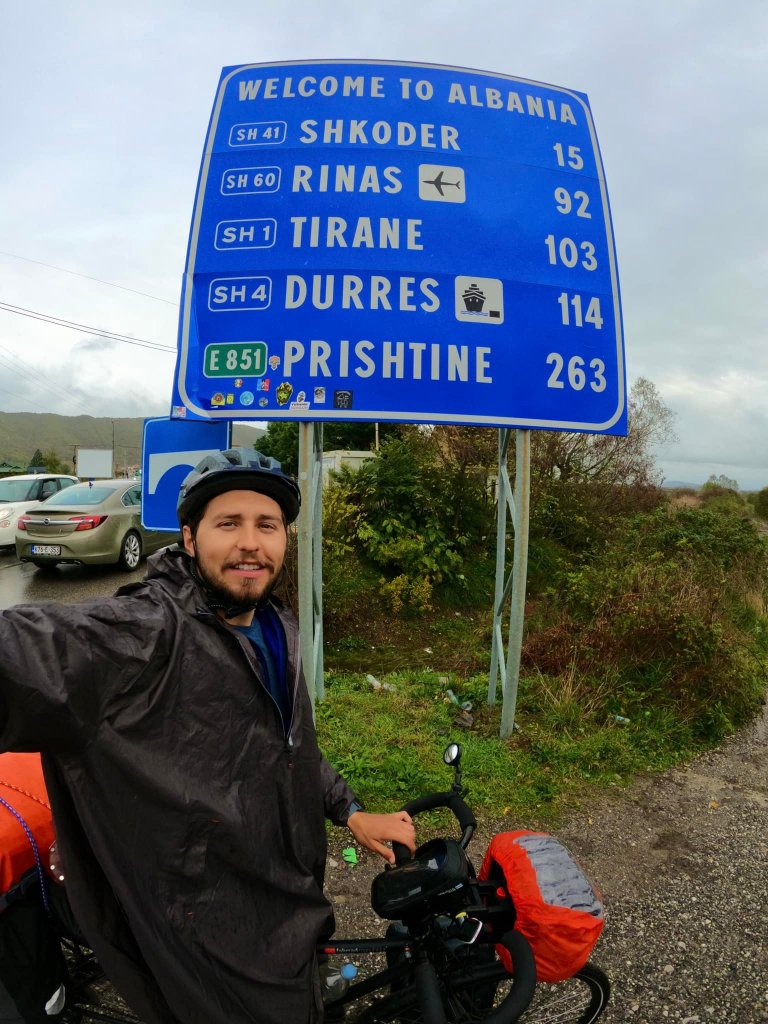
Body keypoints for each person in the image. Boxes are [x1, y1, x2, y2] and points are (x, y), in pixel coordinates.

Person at [0, 448, 416, 1024]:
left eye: (267, 525)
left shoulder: (276, 624)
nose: (251, 542)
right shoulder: (145, 633)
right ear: (190, 540)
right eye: (229, 523)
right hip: (208, 942)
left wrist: (350, 810)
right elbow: (30, 654)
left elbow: (291, 746)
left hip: (291, 903)